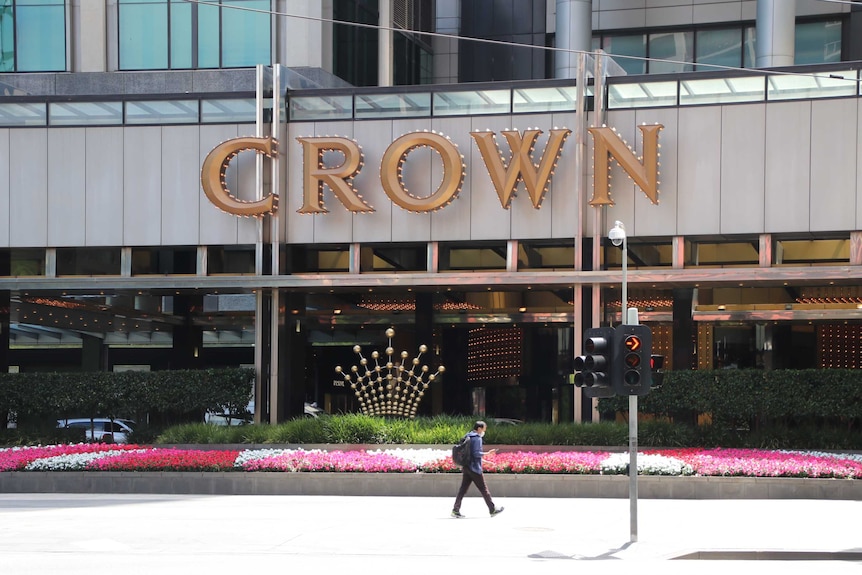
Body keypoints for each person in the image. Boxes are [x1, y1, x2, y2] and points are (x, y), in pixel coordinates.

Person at [451, 420, 504, 518]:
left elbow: (469, 454)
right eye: (484, 429)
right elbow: (476, 454)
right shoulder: (477, 439)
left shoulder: (468, 436)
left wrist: (486, 462)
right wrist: (488, 453)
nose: (484, 431)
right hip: (475, 469)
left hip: (466, 467)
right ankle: (492, 509)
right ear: (479, 429)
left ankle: (455, 509)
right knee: (484, 489)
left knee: (462, 490)